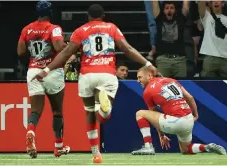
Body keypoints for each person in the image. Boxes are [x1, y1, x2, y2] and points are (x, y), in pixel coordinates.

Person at [31, 4, 157, 163]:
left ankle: (96, 153)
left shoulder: (80, 30)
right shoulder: (111, 28)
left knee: (90, 114)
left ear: (88, 17)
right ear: (103, 16)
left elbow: (65, 53)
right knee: (103, 116)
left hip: (87, 76)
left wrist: (46, 70)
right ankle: (104, 108)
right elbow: (127, 49)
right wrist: (147, 64)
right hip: (107, 74)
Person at [132, 66, 226, 155]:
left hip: (175, 121)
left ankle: (148, 147)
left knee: (140, 113)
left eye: (140, 77)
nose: (138, 80)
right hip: (188, 120)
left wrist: (161, 135)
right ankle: (206, 147)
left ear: (149, 76)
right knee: (185, 149)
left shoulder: (147, 91)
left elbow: (154, 113)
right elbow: (190, 97)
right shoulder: (171, 80)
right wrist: (196, 115)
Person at [17, 0, 69, 158]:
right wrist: (68, 47)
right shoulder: (54, 28)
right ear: (50, 12)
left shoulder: (27, 29)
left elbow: (20, 51)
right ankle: (58, 146)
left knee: (35, 110)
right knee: (57, 110)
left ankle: (31, 131)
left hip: (33, 71)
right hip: (51, 71)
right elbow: (59, 47)